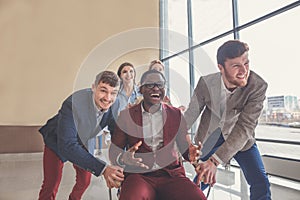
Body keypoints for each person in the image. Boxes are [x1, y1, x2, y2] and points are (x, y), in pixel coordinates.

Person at [184, 40, 271, 200]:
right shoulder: (206, 84)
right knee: (200, 180)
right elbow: (189, 116)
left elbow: (245, 127)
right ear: (220, 68)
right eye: (236, 66)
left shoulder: (257, 86)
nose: (244, 70)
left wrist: (214, 161)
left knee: (261, 183)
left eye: (246, 63)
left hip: (241, 139)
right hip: (211, 138)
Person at [109, 69, 207, 200]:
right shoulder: (126, 116)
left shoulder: (176, 114)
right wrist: (123, 158)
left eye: (160, 85)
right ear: (141, 89)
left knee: (197, 197)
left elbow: (185, 149)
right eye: (150, 85)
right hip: (139, 175)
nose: (156, 88)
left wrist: (191, 153)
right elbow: (114, 152)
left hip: (171, 175)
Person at [38, 71, 124, 200]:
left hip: (84, 140)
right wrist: (104, 169)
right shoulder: (73, 103)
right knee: (51, 184)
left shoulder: (115, 104)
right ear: (93, 88)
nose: (108, 98)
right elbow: (67, 145)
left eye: (113, 93)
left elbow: (116, 133)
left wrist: (123, 155)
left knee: (84, 181)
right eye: (103, 90)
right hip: (57, 140)